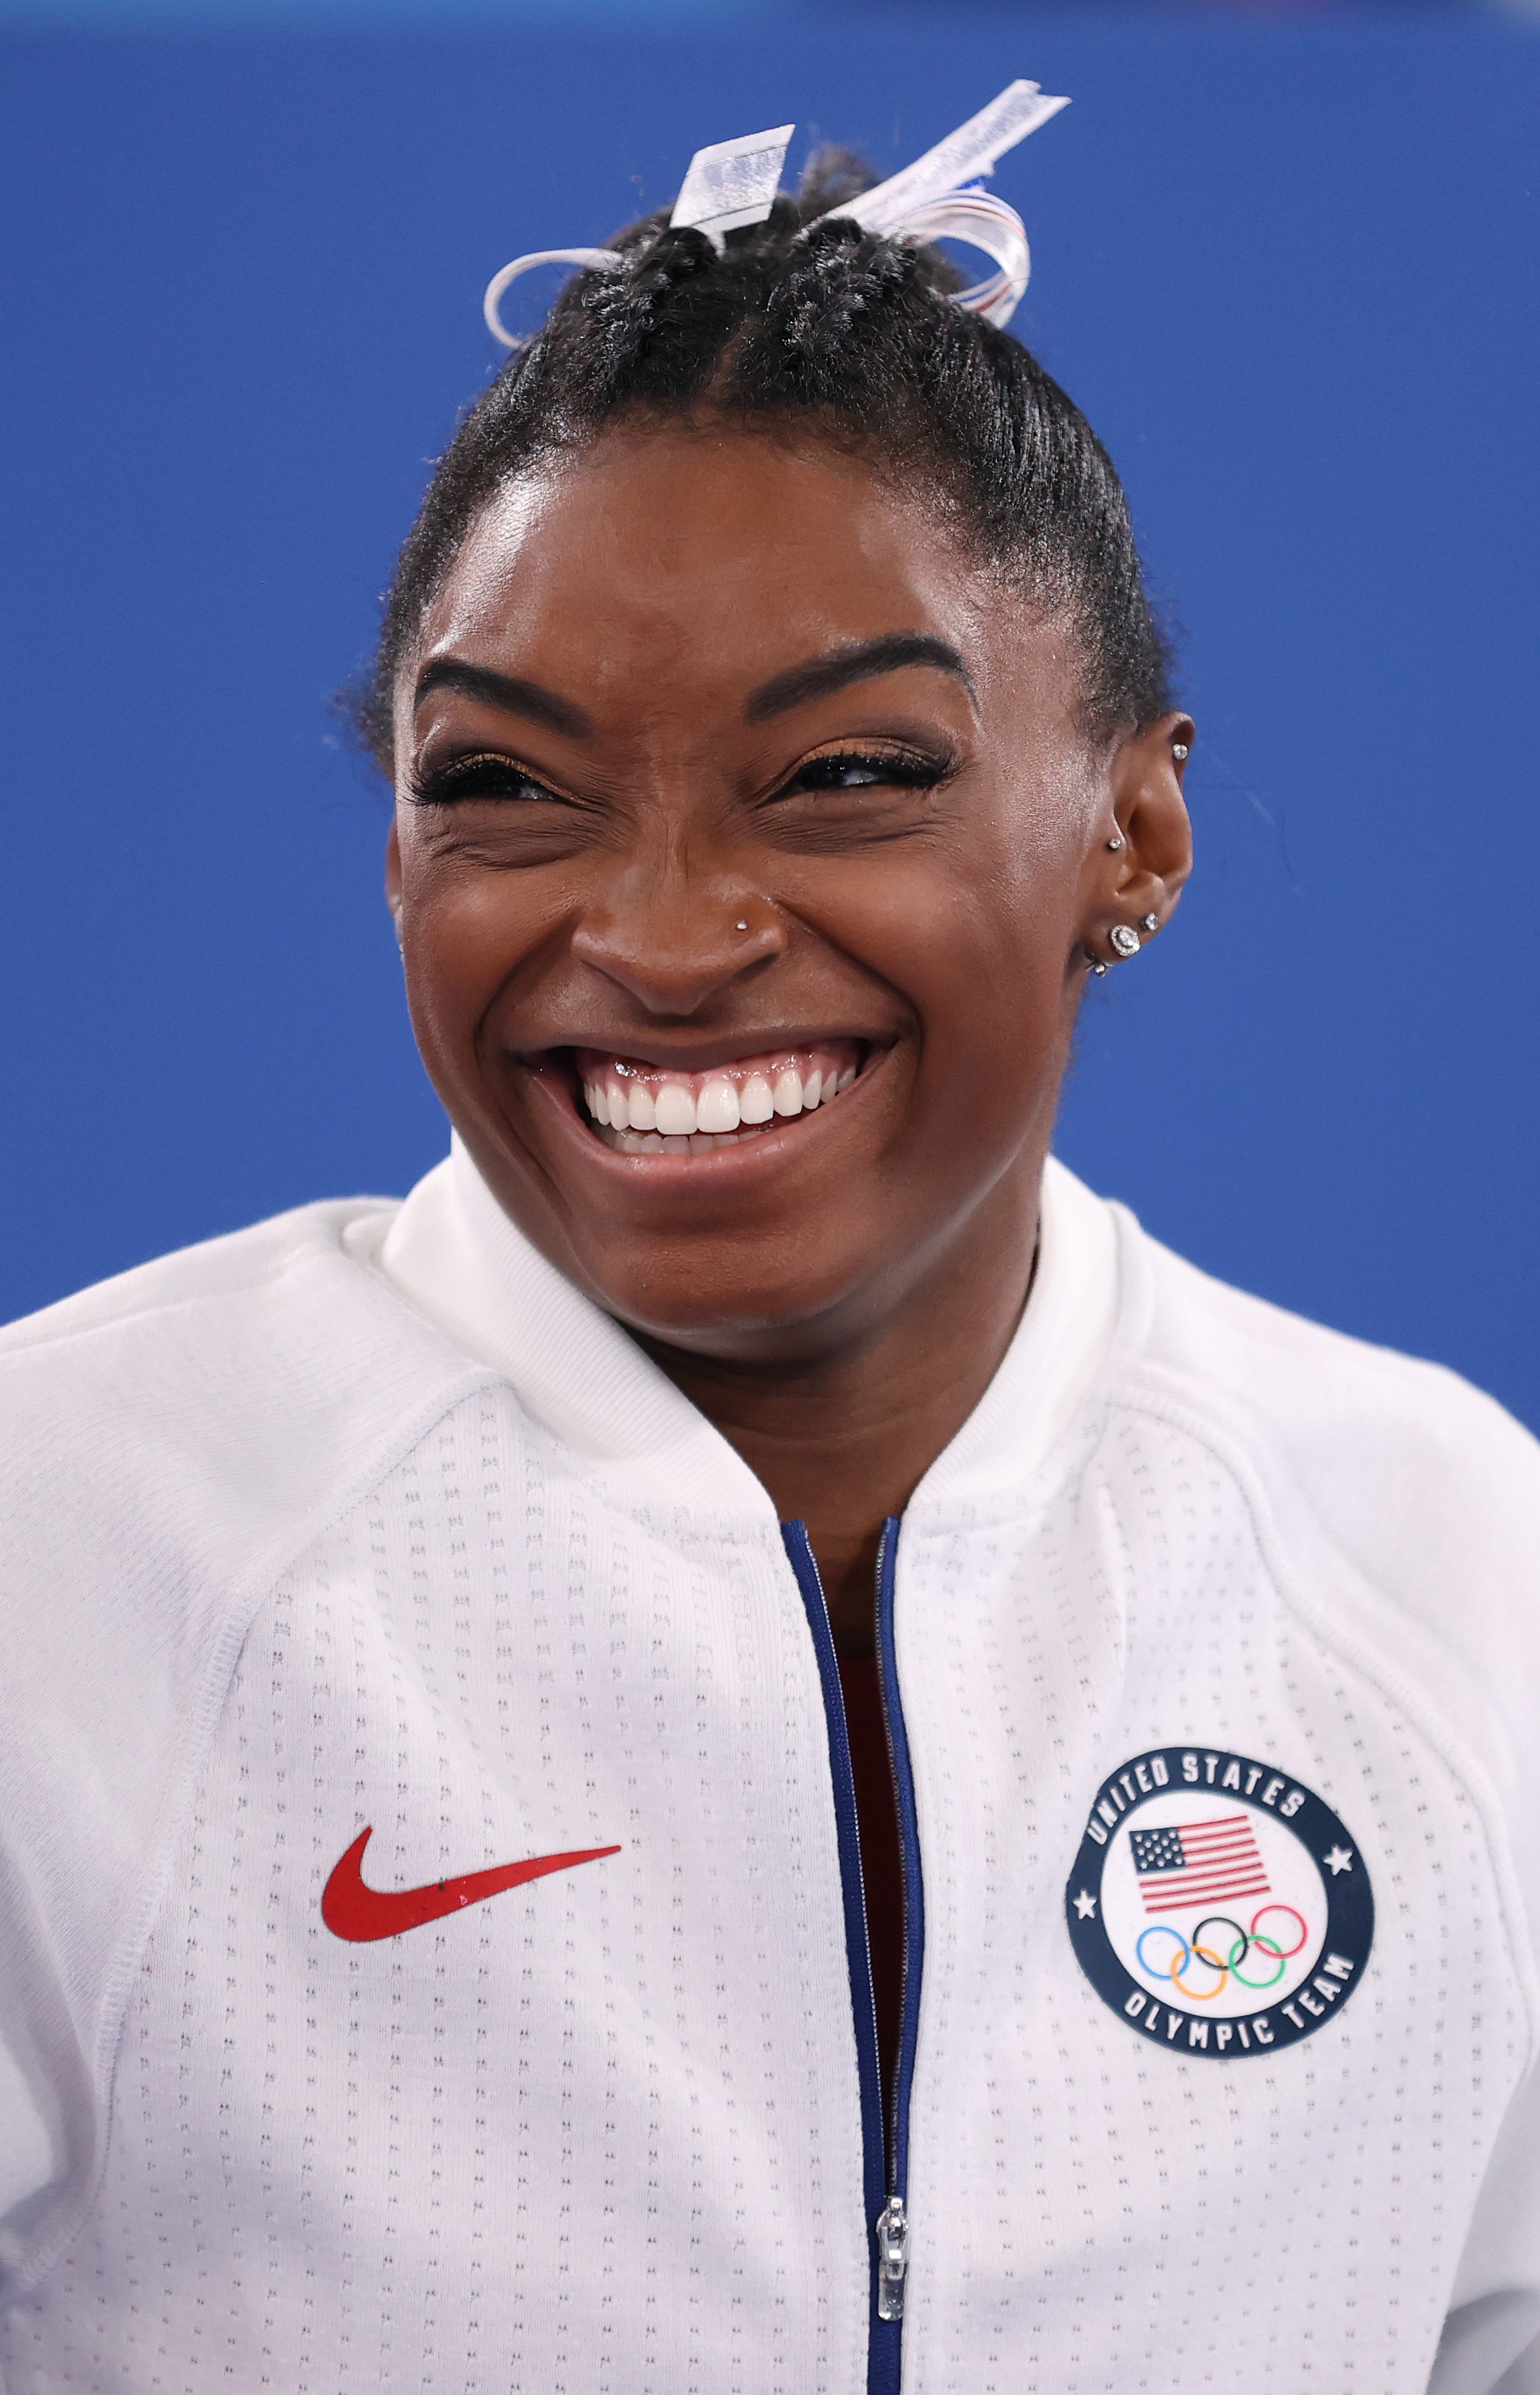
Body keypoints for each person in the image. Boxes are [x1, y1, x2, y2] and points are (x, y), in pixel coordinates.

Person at [1, 84, 1537, 2395]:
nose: (666, 932)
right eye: (503, 785)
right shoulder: (64, 1546)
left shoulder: (1455, 1570)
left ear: (1135, 830)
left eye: (845, 775)